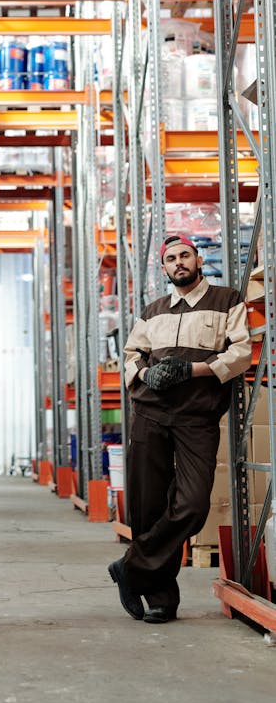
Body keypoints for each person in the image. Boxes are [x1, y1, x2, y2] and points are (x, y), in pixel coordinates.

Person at [108, 234, 251, 623]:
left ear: (198, 259)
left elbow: (240, 353)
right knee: (148, 506)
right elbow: (130, 355)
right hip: (150, 415)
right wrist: (146, 373)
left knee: (191, 504)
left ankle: (131, 567)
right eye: (171, 258)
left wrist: (193, 369)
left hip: (197, 417)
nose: (179, 263)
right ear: (165, 267)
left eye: (185, 255)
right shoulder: (153, 311)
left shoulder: (227, 300)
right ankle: (161, 600)